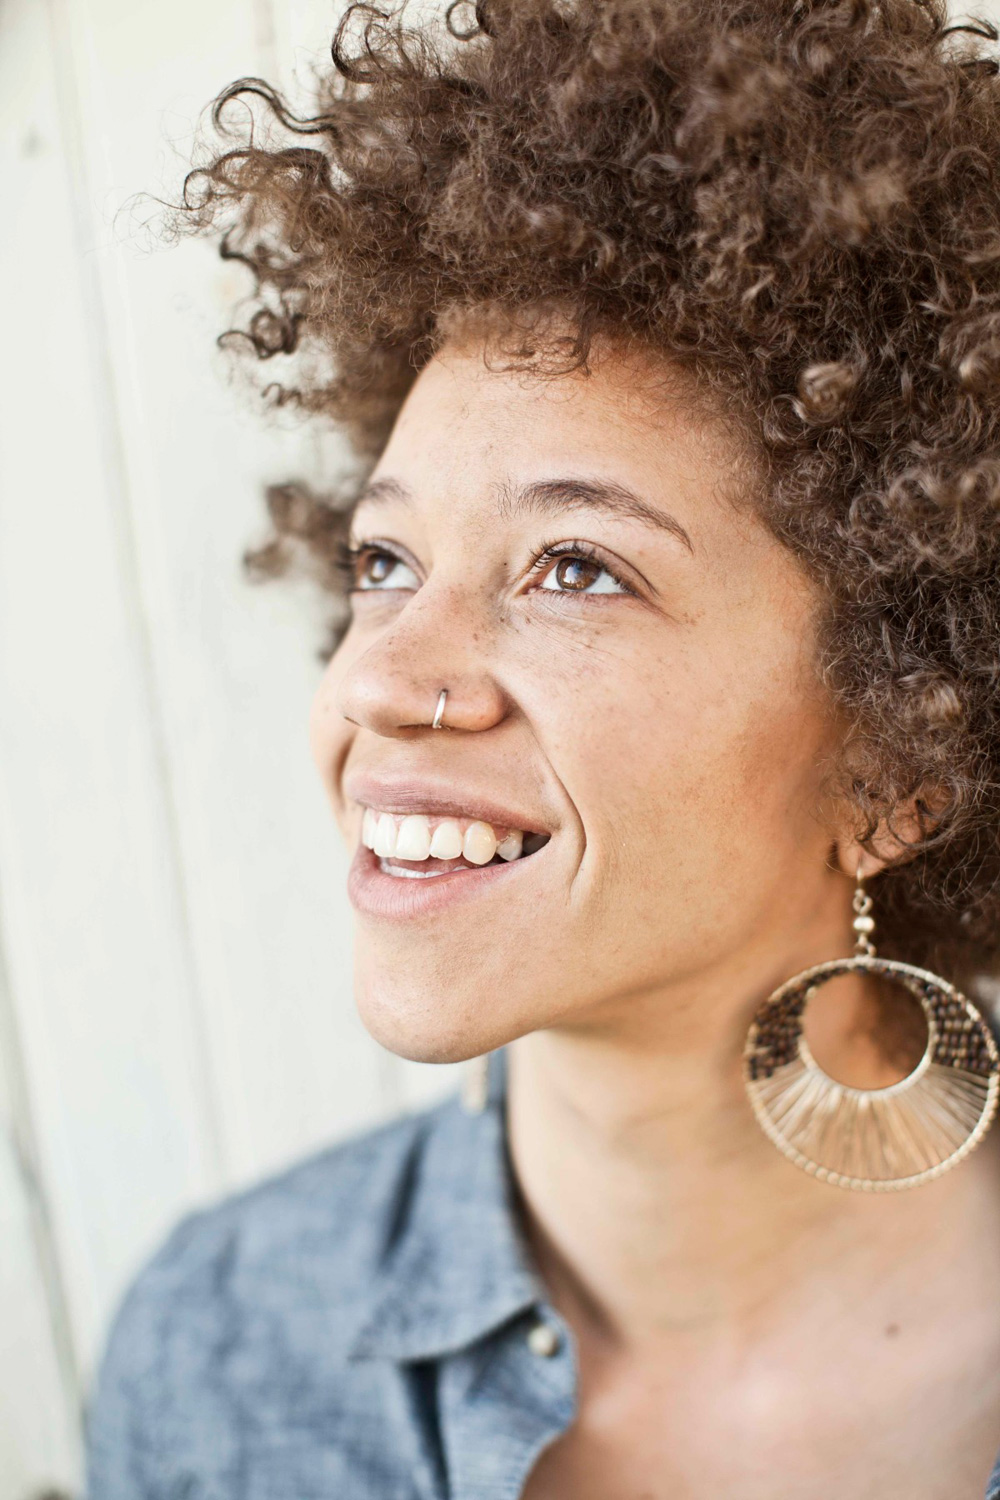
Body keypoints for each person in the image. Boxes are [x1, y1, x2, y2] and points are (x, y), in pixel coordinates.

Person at [85, 2, 1000, 1495]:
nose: (379, 681)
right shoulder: (214, 1357)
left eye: (575, 568)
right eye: (384, 562)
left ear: (904, 761)